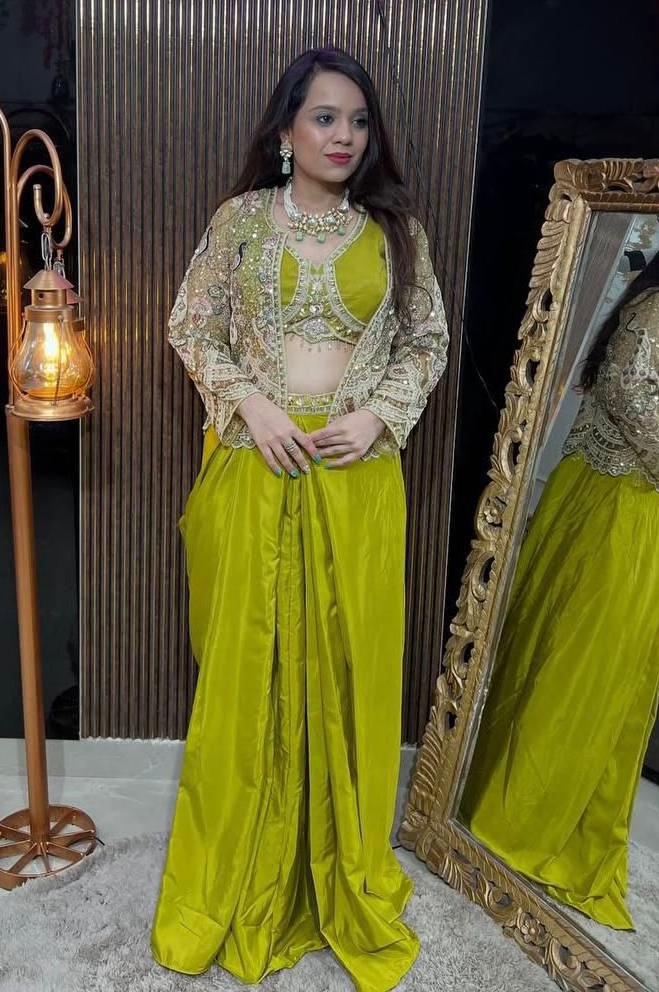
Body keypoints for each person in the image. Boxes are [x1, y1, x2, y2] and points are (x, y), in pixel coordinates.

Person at [150, 48, 449, 990]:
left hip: (356, 482)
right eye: (324, 117)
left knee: (346, 668)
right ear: (285, 129)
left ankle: (338, 867)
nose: (343, 137)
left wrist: (379, 416)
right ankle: (238, 872)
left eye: (357, 121)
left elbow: (428, 341)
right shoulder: (239, 222)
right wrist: (252, 404)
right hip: (254, 467)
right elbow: (189, 325)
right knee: (247, 668)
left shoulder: (395, 231)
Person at [459, 217, 659, 930]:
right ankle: (521, 815)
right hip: (618, 503)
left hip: (648, 511)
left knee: (612, 673)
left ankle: (559, 814)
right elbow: (626, 390)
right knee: (580, 661)